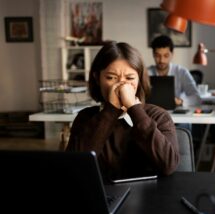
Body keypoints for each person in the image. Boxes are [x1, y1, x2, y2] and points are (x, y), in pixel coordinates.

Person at [66, 41, 179, 180]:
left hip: (149, 197)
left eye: (130, 78)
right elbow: (74, 167)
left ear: (139, 79)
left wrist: (135, 110)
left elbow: (168, 165)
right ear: (97, 78)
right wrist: (111, 110)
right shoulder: (86, 117)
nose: (121, 85)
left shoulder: (159, 116)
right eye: (111, 78)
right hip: (103, 198)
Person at [148, 35, 201, 107]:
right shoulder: (145, 73)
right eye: (157, 56)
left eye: (166, 55)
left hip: (176, 114)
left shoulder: (182, 72)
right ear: (153, 55)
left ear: (172, 54)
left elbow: (196, 98)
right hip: (151, 112)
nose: (161, 60)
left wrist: (181, 101)